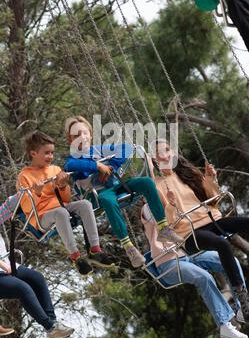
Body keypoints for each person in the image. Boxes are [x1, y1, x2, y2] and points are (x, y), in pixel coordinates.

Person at [148, 139, 249, 323]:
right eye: (159, 153)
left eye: (167, 150)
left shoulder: (187, 174)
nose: (165, 155)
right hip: (190, 233)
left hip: (212, 220)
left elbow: (213, 201)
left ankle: (242, 310)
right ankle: (242, 298)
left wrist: (211, 179)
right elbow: (167, 223)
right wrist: (170, 205)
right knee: (222, 244)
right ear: (155, 159)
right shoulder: (155, 186)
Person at [64, 116, 176, 268]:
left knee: (147, 183)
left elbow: (127, 148)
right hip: (101, 194)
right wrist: (97, 166)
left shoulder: (98, 149)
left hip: (119, 185)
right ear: (70, 140)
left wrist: (111, 167)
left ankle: (163, 227)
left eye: (84, 133)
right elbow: (71, 165)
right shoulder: (73, 158)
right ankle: (129, 247)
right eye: (76, 136)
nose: (82, 138)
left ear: (90, 134)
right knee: (108, 201)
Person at [141, 203, 248, 338]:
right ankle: (224, 325)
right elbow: (158, 217)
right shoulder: (148, 208)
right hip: (167, 264)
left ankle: (242, 308)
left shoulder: (172, 201)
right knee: (204, 277)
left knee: (228, 259)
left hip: (187, 256)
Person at [17, 131, 114, 276]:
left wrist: (62, 186)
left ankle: (95, 249)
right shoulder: (24, 177)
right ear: (33, 153)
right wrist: (37, 193)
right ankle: (75, 257)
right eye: (47, 153)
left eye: (52, 153)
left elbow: (66, 199)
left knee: (85, 204)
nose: (51, 156)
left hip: (60, 208)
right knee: (61, 213)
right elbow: (28, 209)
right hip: (41, 218)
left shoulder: (55, 170)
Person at [0, 234, 74, 338]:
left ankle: (53, 322)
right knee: (22, 288)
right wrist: (3, 265)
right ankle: (50, 327)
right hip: (3, 268)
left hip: (7, 265)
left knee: (37, 278)